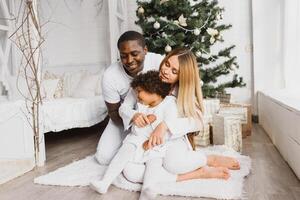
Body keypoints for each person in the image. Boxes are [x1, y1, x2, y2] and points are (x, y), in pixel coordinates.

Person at [119, 48, 240, 191]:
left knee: (172, 165)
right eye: (167, 64)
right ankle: (198, 173)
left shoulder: (181, 91)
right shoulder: (148, 79)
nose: (166, 71)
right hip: (146, 138)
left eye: (174, 71)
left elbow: (198, 121)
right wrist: (134, 115)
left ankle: (209, 159)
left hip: (172, 140)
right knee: (129, 172)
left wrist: (165, 125)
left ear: (182, 77)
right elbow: (124, 107)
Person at [90, 71, 194, 194]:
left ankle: (148, 189)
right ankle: (105, 182)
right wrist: (135, 116)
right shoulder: (142, 105)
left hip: (155, 144)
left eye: (139, 91)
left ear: (154, 90)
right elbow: (126, 112)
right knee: (122, 154)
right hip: (135, 139)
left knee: (153, 163)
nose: (136, 95)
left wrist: (151, 136)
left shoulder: (169, 103)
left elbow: (168, 123)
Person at [95, 31, 163, 165]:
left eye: (134, 54)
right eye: (123, 56)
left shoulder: (159, 63)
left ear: (145, 50)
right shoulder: (110, 76)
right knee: (103, 158)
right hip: (124, 119)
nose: (129, 60)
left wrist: (154, 125)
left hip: (157, 117)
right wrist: (134, 124)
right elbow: (114, 113)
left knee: (158, 150)